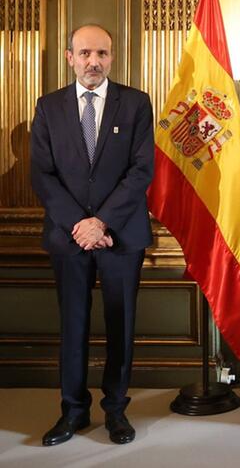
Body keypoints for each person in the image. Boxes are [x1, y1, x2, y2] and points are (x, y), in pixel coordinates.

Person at [31, 24, 155, 446]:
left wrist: (101, 223)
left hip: (121, 235)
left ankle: (117, 411)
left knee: (121, 323)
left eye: (101, 53)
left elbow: (142, 171)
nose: (93, 62)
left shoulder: (136, 104)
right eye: (84, 53)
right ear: (70, 58)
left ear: (112, 57)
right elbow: (43, 175)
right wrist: (79, 225)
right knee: (74, 325)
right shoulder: (48, 108)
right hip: (69, 237)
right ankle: (73, 412)